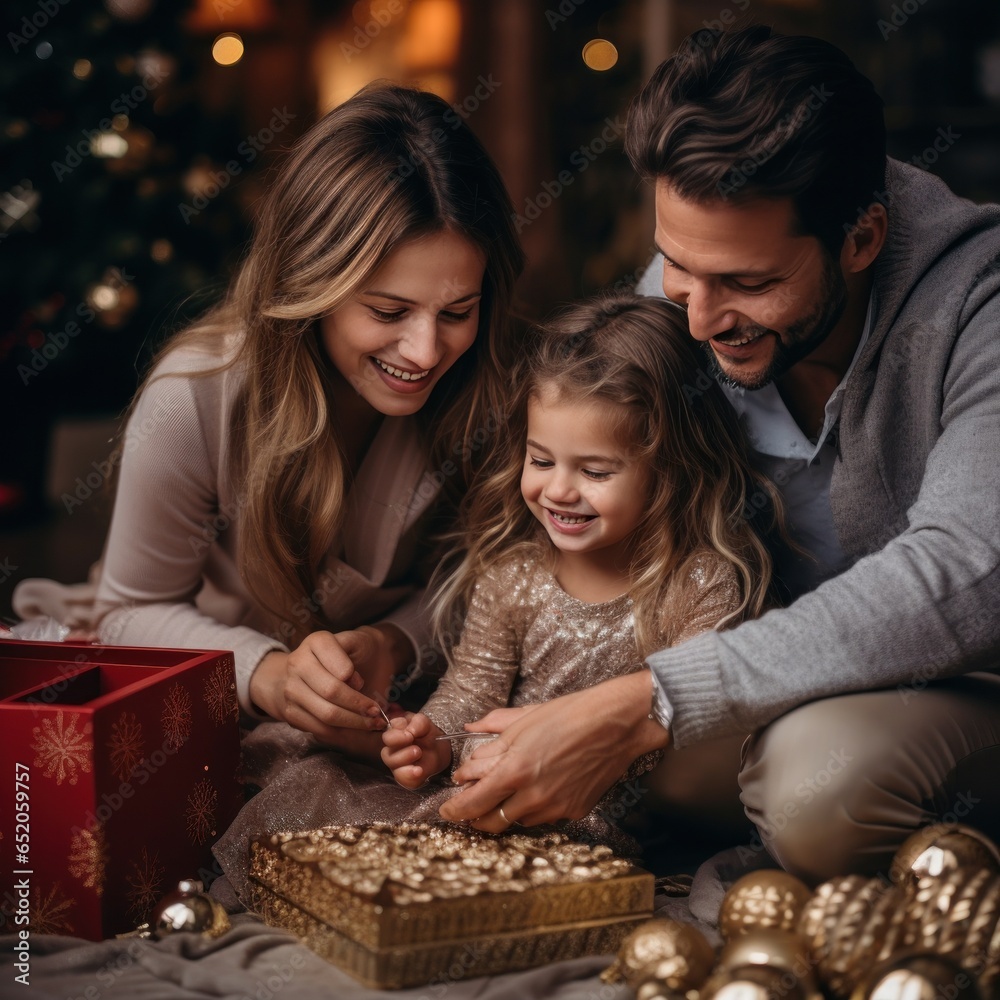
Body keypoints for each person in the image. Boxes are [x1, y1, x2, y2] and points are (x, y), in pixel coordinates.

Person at [436, 25, 1000, 885]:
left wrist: (653, 699)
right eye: (676, 266)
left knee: (815, 788)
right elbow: (566, 518)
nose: (696, 323)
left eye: (748, 283)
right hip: (778, 688)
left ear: (862, 238)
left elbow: (968, 569)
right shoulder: (690, 303)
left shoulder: (980, 306)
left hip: (964, 688)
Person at [34, 83, 525, 758]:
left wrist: (394, 642)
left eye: (457, 311)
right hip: (199, 712)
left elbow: (498, 581)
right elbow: (129, 612)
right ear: (308, 281)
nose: (425, 351)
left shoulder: (493, 388)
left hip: (409, 719)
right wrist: (268, 675)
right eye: (387, 312)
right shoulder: (195, 397)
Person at [379, 291, 779, 852]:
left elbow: (693, 724)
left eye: (594, 471)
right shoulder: (514, 576)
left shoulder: (698, 583)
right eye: (540, 460)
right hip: (501, 799)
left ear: (669, 471)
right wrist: (433, 740)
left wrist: (550, 739)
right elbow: (470, 694)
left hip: (621, 821)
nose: (558, 490)